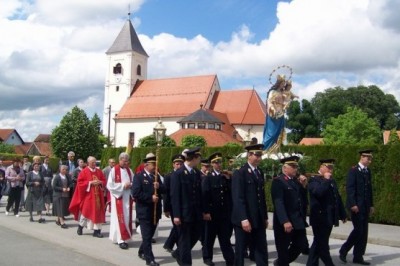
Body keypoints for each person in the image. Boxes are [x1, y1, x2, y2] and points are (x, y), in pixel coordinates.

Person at [232, 144, 268, 266]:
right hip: (244, 218)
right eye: (257, 155)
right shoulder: (240, 173)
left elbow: (261, 197)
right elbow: (238, 198)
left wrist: (265, 217)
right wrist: (243, 218)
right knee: (241, 250)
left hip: (257, 218)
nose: (259, 158)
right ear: (249, 155)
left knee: (261, 248)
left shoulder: (259, 172)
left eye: (260, 155)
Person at [307, 159, 347, 266]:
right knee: (322, 244)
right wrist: (326, 180)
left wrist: (342, 214)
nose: (331, 170)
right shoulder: (314, 180)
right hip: (319, 217)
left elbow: (336, 198)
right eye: (328, 167)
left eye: (332, 167)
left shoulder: (331, 181)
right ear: (321, 167)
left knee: (319, 243)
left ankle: (311, 264)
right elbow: (318, 193)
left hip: (329, 217)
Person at [271, 156, 308, 266]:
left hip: (297, 220)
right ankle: (282, 262)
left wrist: (304, 186)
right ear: (285, 168)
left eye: (296, 166)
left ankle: (280, 262)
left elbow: (303, 201)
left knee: (301, 244)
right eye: (292, 166)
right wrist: (285, 221)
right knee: (282, 248)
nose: (295, 169)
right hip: (285, 221)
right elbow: (279, 203)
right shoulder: (279, 181)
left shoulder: (295, 182)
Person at [339, 150, 374, 265]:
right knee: (358, 230)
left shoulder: (367, 171)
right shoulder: (353, 170)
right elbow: (350, 188)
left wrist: (371, 205)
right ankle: (344, 250)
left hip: (365, 206)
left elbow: (369, 190)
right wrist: (353, 204)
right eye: (368, 158)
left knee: (364, 232)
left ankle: (358, 256)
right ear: (362, 157)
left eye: (370, 158)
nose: (369, 161)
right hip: (356, 206)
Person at [170, 147, 203, 266]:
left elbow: (199, 194)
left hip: (196, 213)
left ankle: (178, 253)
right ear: (193, 158)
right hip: (184, 214)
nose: (199, 161)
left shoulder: (196, 173)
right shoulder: (178, 174)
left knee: (196, 235)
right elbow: (175, 196)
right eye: (198, 158)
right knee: (184, 240)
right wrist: (177, 215)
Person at [132, 153, 165, 266]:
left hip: (155, 212)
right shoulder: (139, 177)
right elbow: (136, 193)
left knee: (150, 235)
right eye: (153, 164)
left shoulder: (156, 176)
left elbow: (165, 190)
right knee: (147, 236)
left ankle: (142, 251)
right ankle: (149, 259)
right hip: (144, 211)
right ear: (146, 165)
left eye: (155, 164)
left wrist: (159, 187)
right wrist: (150, 198)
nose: (155, 166)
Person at [202, 152, 234, 266]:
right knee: (209, 237)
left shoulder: (224, 177)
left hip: (224, 213)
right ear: (211, 164)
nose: (218, 164)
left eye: (219, 162)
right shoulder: (208, 178)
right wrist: (205, 212)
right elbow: (205, 196)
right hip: (212, 213)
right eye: (216, 162)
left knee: (225, 237)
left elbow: (230, 193)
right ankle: (207, 257)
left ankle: (230, 258)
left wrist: (229, 179)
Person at [69, 156, 106, 238]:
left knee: (98, 213)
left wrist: (100, 182)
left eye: (95, 162)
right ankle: (80, 227)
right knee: (85, 213)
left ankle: (97, 231)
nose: (94, 164)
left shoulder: (99, 171)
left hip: (98, 197)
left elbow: (104, 180)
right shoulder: (84, 172)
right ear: (88, 163)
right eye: (92, 162)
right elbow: (80, 183)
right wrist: (90, 183)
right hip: (88, 196)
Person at [107, 152, 134, 250]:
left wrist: (130, 184)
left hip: (128, 197)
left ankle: (124, 237)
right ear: (120, 160)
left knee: (126, 218)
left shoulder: (129, 170)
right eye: (125, 161)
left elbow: (133, 181)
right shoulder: (114, 170)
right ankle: (121, 240)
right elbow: (110, 185)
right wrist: (123, 185)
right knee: (119, 219)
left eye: (127, 161)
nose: (126, 163)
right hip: (118, 198)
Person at [163, 154, 185, 253]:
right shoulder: (169, 176)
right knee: (178, 227)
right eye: (177, 164)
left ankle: (169, 244)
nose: (179, 166)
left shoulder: (185, 175)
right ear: (173, 165)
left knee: (179, 227)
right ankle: (180, 249)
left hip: (184, 206)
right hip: (172, 206)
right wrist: (166, 209)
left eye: (181, 164)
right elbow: (166, 194)